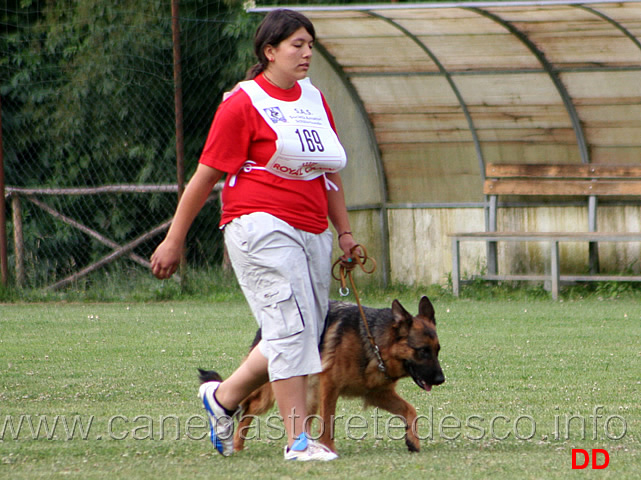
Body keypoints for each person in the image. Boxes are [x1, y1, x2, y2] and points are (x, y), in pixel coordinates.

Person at [150, 9, 358, 461]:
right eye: (296, 45)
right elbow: (204, 178)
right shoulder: (242, 102)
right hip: (258, 224)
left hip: (312, 229)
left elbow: (330, 175)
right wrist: (174, 238)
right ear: (269, 52)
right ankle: (299, 441)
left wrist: (344, 232)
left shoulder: (314, 100)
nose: (306, 53)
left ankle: (221, 399)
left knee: (301, 334)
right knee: (289, 329)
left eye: (309, 44)